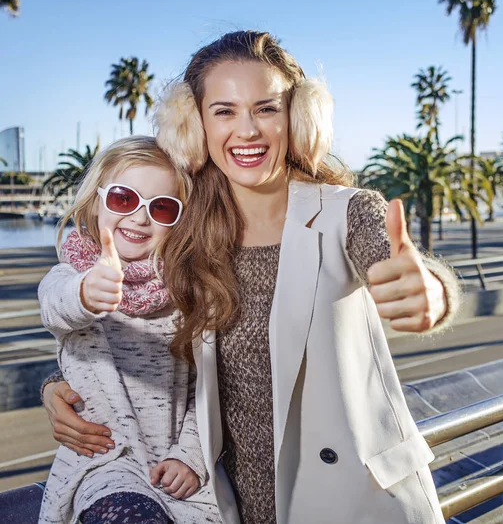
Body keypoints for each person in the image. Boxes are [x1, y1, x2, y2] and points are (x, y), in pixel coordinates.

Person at [43, 31, 460, 524]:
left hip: (353, 500)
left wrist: (431, 290)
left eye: (266, 108)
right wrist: (59, 384)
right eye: (224, 111)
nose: (248, 131)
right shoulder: (182, 229)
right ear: (194, 126)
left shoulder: (345, 213)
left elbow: (396, 260)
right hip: (230, 502)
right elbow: (140, 328)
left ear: (298, 118)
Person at [37, 137, 220, 524]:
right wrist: (86, 292)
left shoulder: (190, 295)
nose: (140, 217)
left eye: (162, 207)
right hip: (103, 464)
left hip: (177, 472)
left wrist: (190, 455)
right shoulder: (70, 277)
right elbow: (56, 307)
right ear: (96, 201)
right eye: (124, 199)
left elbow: (206, 392)